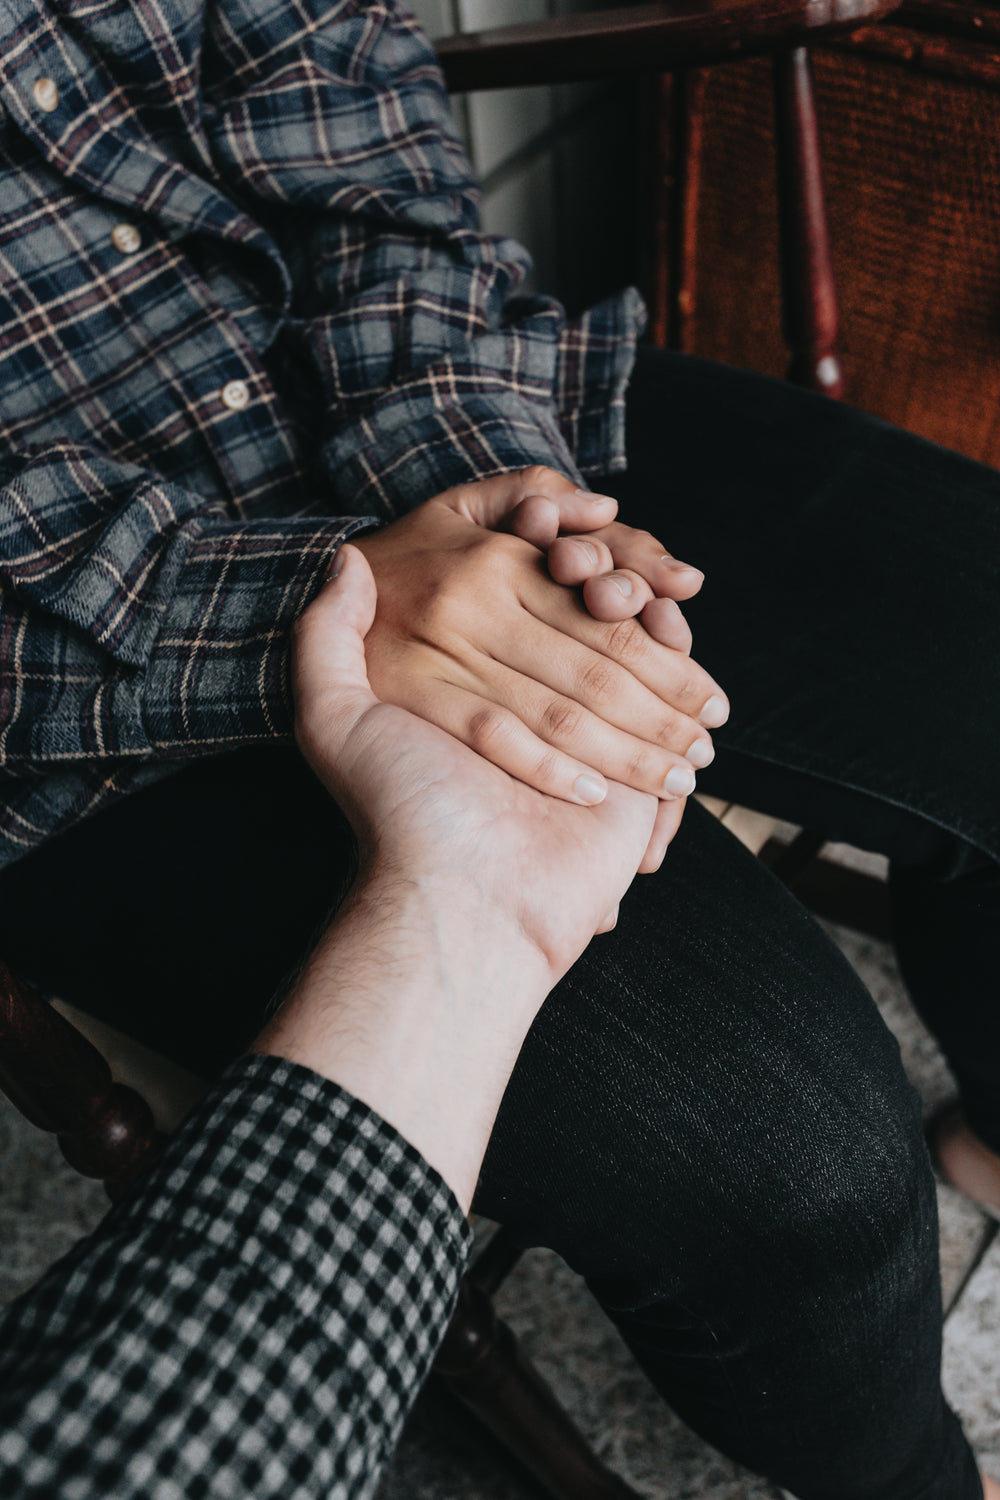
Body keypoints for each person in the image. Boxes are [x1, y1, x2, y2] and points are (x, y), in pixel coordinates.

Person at [0, 0, 999, 1495]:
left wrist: (484, 488)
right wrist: (335, 609)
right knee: (785, 1156)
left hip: (390, 407)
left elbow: (337, 84)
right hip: (82, 677)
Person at [0, 543, 661, 1497]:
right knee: (801, 1160)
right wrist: (349, 586)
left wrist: (534, 551)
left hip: (437, 581)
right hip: (131, 752)